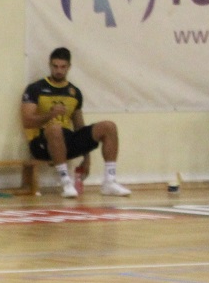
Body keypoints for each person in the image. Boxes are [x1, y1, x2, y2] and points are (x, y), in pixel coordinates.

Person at [21, 48, 130, 198]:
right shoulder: (35, 89)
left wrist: (87, 159)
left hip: (67, 139)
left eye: (63, 67)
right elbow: (27, 121)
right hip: (41, 142)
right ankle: (66, 182)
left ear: (69, 67)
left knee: (108, 126)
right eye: (55, 66)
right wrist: (50, 115)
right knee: (55, 128)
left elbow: (79, 127)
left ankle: (109, 181)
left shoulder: (74, 92)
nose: (59, 71)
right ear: (50, 65)